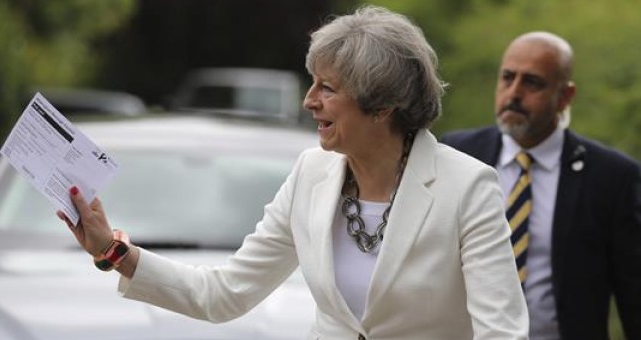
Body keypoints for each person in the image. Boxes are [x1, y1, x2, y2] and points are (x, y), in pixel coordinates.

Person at [58, 6, 529, 339]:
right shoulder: (311, 173)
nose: (309, 101)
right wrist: (112, 251)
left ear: (382, 106)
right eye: (312, 83)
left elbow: (502, 332)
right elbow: (224, 294)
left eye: (328, 88)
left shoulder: (468, 187)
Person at [441, 31, 641, 340]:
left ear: (564, 97)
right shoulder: (455, 155)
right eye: (507, 78)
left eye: (532, 82)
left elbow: (634, 296)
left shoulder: (613, 178)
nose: (514, 92)